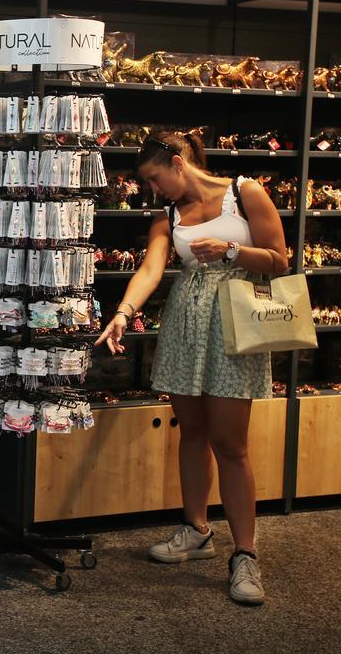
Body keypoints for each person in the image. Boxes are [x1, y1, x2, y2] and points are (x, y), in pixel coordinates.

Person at [95, 131, 288, 607]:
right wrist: (123, 311)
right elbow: (150, 269)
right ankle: (196, 530)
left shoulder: (246, 193)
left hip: (235, 327)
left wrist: (230, 253)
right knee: (193, 433)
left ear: (178, 163)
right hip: (186, 326)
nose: (153, 190)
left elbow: (280, 261)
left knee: (231, 443)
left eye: (155, 179)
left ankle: (246, 555)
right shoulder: (168, 216)